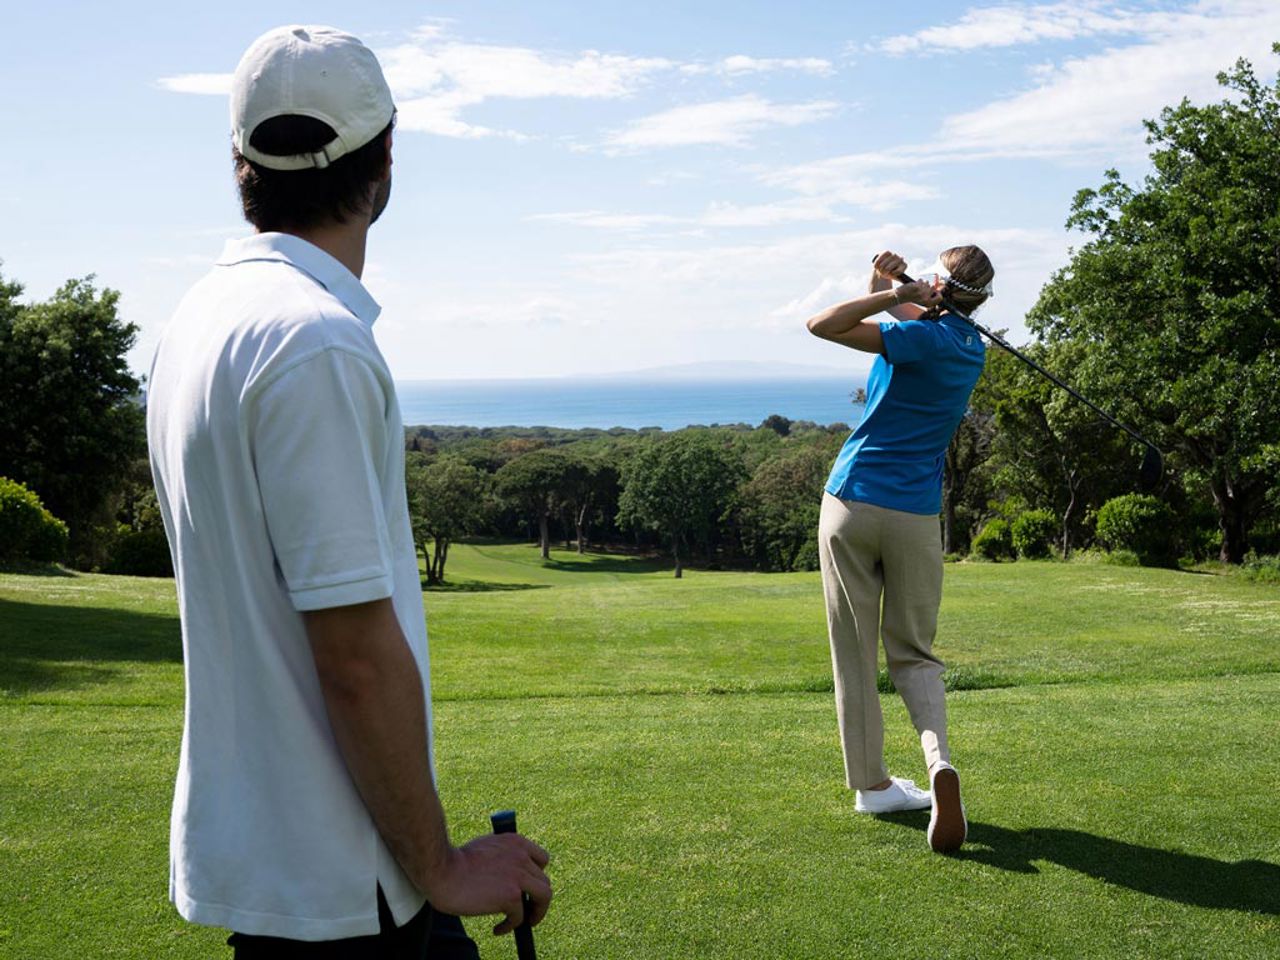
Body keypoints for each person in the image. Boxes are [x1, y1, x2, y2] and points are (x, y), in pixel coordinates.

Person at [147, 25, 552, 955]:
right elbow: (354, 658)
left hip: (276, 879)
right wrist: (445, 868)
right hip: (351, 890)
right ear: (386, 158)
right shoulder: (315, 341)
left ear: (240, 163)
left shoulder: (200, 320)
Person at [805, 247, 994, 853]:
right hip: (915, 516)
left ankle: (872, 786)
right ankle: (938, 761)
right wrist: (888, 281)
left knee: (855, 652)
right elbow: (906, 318)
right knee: (914, 653)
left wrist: (891, 293)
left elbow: (824, 325)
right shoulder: (970, 349)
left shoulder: (918, 335)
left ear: (940, 285)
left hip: (852, 502)